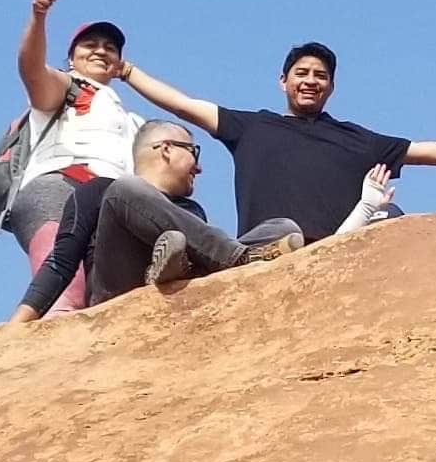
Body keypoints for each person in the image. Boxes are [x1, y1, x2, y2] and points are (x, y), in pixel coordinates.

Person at [120, 40, 436, 245]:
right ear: (284, 80)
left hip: (340, 248)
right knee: (281, 231)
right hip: (271, 247)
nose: (310, 80)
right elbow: (185, 105)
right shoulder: (252, 127)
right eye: (302, 72)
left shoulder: (354, 138)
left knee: (391, 214)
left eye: (320, 75)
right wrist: (128, 71)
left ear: (331, 86)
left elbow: (419, 151)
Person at [17, 122, 301, 318]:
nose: (199, 167)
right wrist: (19, 323)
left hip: (187, 279)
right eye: (193, 152)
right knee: (125, 191)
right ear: (166, 149)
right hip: (117, 289)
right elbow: (61, 262)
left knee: (282, 228)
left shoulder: (191, 209)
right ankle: (238, 258)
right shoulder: (102, 190)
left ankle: (168, 268)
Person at [3, 0, 152, 312]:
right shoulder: (68, 87)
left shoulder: (134, 123)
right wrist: (38, 16)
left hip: (109, 204)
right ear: (71, 58)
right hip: (60, 190)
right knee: (64, 297)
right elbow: (31, 69)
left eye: (110, 47)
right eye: (90, 45)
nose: (100, 50)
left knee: (101, 302)